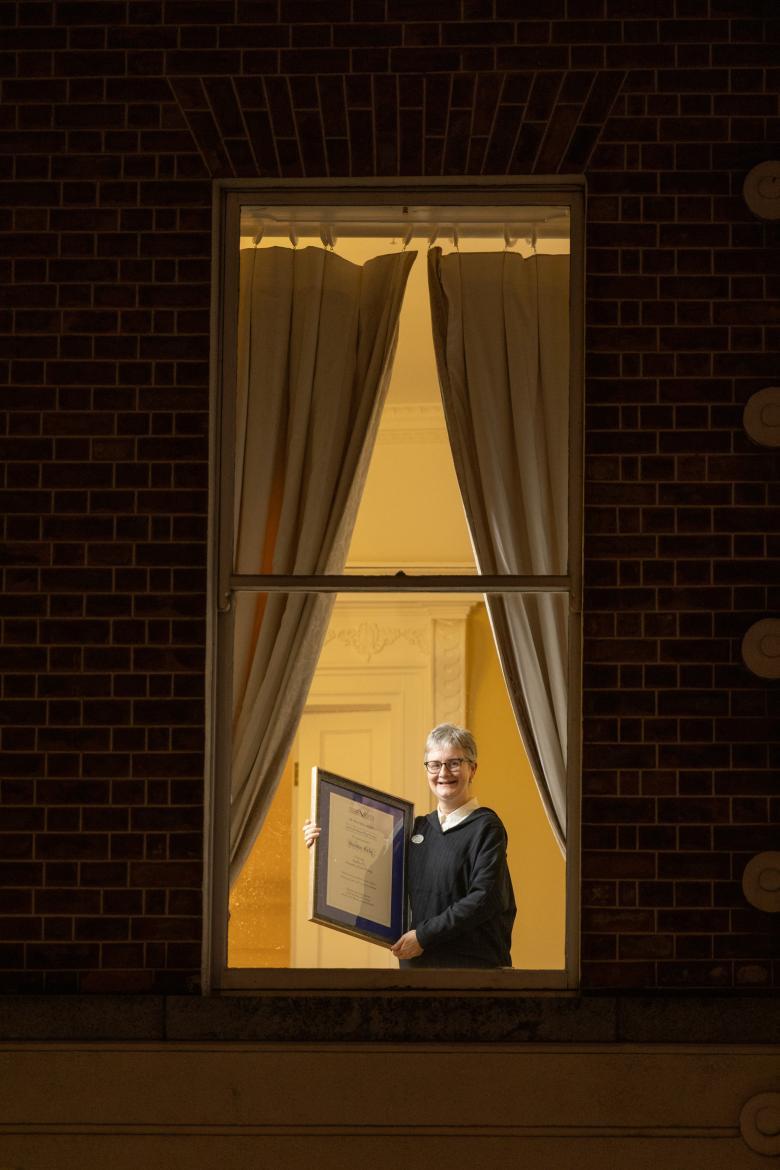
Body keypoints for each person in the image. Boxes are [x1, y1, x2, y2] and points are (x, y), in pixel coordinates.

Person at [303, 723, 516, 969]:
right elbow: (372, 878)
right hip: (418, 968)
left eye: (454, 763)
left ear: (473, 769)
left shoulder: (487, 827)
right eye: (435, 764)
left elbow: (484, 899)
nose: (443, 773)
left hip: (471, 970)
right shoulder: (416, 828)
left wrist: (423, 936)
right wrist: (324, 846)